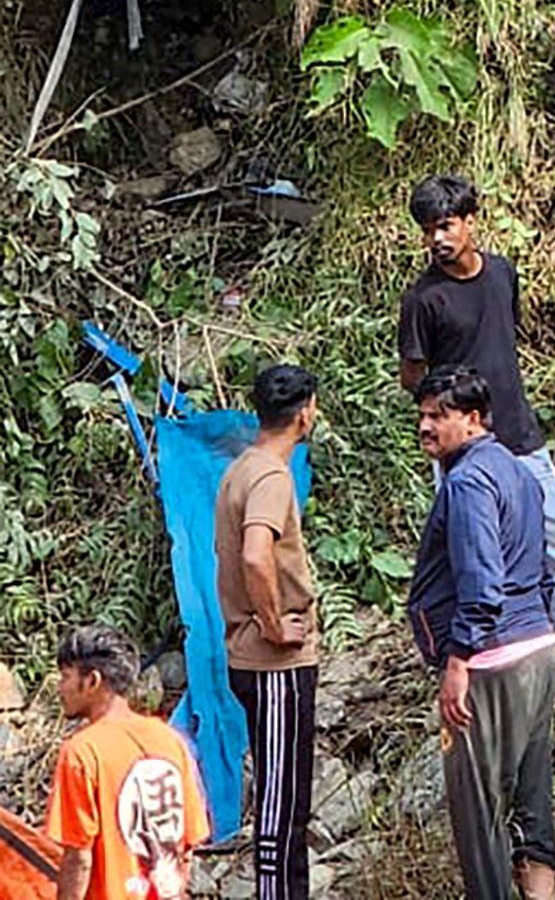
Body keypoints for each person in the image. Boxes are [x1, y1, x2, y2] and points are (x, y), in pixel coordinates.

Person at [398, 176, 555, 664]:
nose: (437, 239)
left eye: (445, 225)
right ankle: (481, 650)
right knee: (474, 550)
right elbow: (413, 376)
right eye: (427, 230)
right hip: (462, 446)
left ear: (469, 222)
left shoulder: (502, 273)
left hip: (519, 431)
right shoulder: (423, 299)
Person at [407, 369, 555, 900]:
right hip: (538, 649)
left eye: (438, 416)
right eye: (422, 414)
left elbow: (481, 580)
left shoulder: (469, 481)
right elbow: (542, 568)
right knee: (532, 801)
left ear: (473, 420)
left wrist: (457, 664)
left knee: (481, 816)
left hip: (492, 660)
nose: (425, 426)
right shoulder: (517, 471)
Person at [214, 362, 319, 900]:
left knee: (285, 794)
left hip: (249, 657)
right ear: (306, 415)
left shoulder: (241, 467)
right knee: (282, 802)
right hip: (274, 663)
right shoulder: (272, 478)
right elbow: (257, 556)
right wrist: (276, 625)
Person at [45, 620, 208, 900]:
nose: (60, 688)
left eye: (65, 676)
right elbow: (187, 842)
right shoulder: (169, 740)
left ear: (93, 681)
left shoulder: (82, 752)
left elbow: (79, 859)